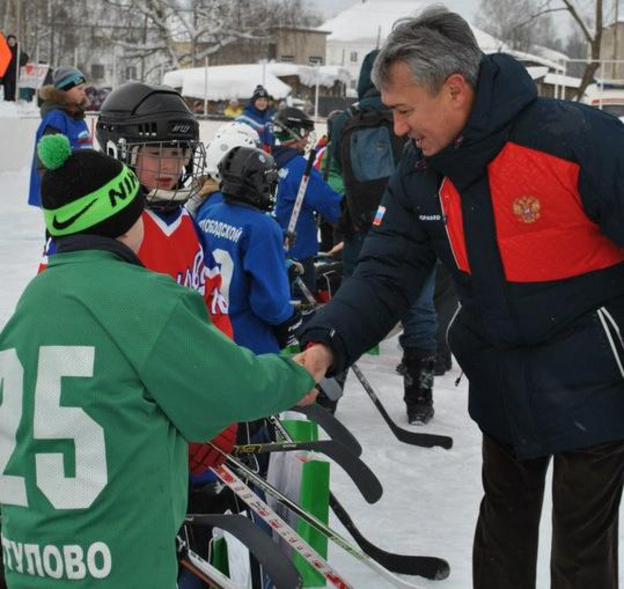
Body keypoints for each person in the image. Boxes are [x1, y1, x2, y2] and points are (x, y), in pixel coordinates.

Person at [296, 7, 624, 589]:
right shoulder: (422, 171)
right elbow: (385, 272)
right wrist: (327, 342)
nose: (398, 130)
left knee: (581, 552)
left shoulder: (576, 141)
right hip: (502, 380)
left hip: (593, 380)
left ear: (454, 90)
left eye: (403, 112)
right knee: (501, 538)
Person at [0, 134, 316, 589]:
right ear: (128, 223)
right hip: (117, 564)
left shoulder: (35, 298)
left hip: (28, 561)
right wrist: (297, 373)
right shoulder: (146, 296)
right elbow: (234, 385)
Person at [332, 49, 439, 424]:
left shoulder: (343, 120)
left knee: (350, 306)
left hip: (359, 231)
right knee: (420, 313)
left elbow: (333, 176)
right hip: (413, 229)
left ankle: (326, 394)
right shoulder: (414, 114)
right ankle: (419, 402)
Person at [95, 81, 232, 338]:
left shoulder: (187, 223)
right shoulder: (98, 225)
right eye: (156, 153)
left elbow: (213, 305)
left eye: (178, 152)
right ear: (117, 152)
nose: (170, 166)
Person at [196, 145, 300, 355]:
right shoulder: (262, 226)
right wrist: (287, 318)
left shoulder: (208, 213)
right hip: (248, 341)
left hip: (209, 331)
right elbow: (270, 303)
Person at [272, 107, 343, 296]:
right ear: (295, 133)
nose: (307, 138)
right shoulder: (298, 167)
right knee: (303, 313)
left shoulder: (269, 161)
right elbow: (329, 203)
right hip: (297, 254)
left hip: (273, 249)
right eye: (305, 133)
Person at [28, 66, 91, 208]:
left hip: (78, 189)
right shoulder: (56, 118)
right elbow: (45, 160)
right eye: (79, 89)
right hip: (60, 193)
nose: (84, 92)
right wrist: (53, 192)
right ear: (65, 91)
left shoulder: (77, 116)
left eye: (84, 88)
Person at [236, 84, 274, 151]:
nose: (262, 103)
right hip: (250, 153)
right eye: (259, 100)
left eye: (265, 100)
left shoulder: (268, 119)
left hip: (266, 156)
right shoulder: (244, 118)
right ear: (253, 101)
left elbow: (272, 138)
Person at [1, 34, 28, 101]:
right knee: (7, 86)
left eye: (12, 40)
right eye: (9, 40)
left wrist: (25, 58)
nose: (11, 41)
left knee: (14, 85)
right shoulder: (5, 49)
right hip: (6, 71)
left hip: (15, 71)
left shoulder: (18, 49)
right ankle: (7, 99)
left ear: (15, 41)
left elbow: (23, 61)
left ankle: (13, 98)